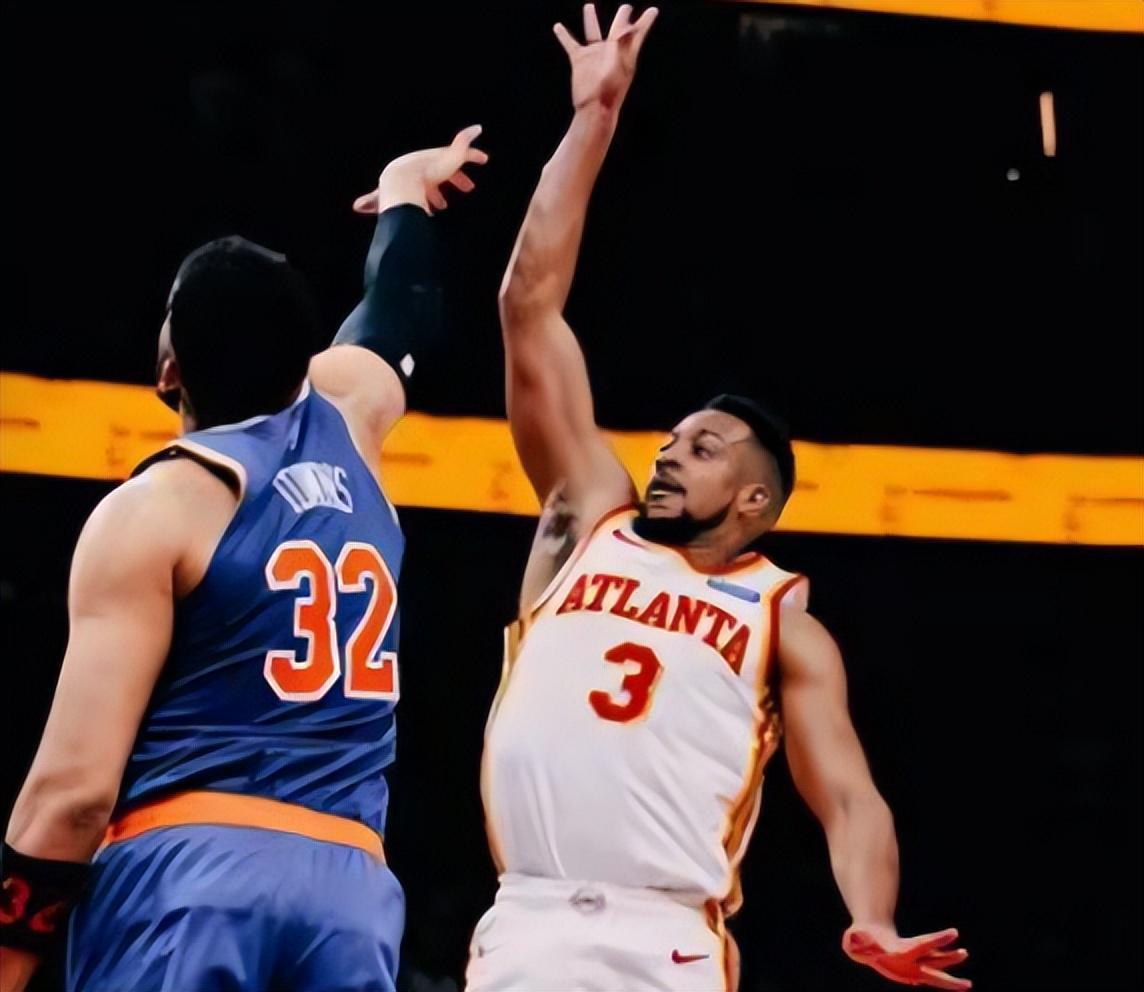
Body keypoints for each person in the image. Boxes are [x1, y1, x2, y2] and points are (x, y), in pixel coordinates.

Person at [467, 7, 969, 991]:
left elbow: (850, 796)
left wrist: (871, 916)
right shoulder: (590, 516)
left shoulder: (782, 618)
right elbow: (527, 304)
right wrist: (593, 120)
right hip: (526, 915)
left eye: (700, 449)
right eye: (667, 441)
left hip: (668, 934)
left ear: (753, 499)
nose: (665, 456)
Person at [0, 127, 487, 992]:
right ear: (306, 363)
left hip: (190, 875)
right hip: (350, 890)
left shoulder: (153, 510)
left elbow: (71, 795)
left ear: (169, 369)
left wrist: (10, 957)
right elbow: (401, 304)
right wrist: (405, 189)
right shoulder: (353, 416)